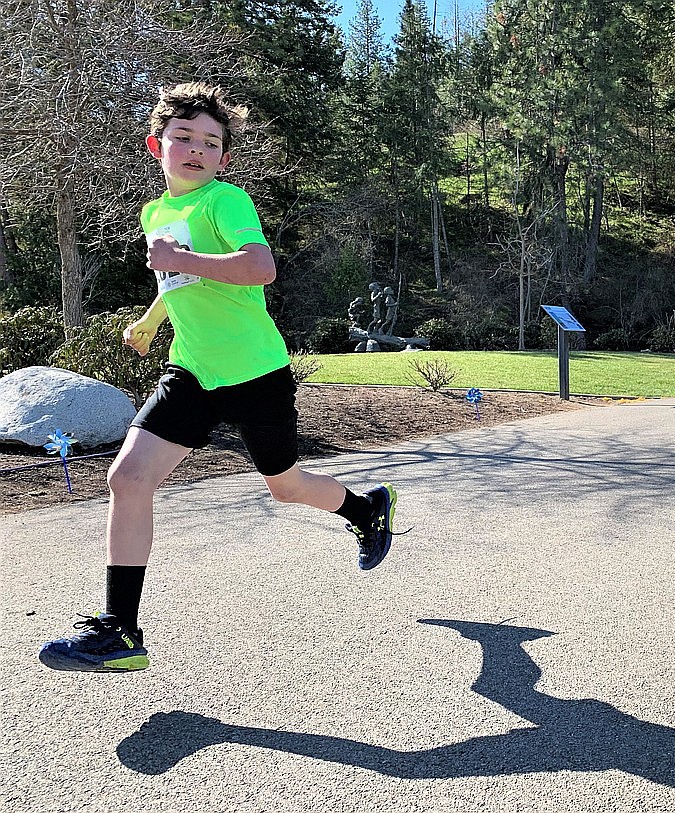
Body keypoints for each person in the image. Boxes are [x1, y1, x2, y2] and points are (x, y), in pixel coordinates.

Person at [39, 83, 403, 673]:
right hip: (192, 370)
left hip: (256, 372)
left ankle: (365, 510)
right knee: (128, 478)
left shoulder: (224, 200)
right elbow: (178, 283)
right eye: (183, 137)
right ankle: (121, 631)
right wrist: (151, 320)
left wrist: (181, 261)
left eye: (211, 142)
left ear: (224, 159)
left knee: (284, 485)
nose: (197, 150)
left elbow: (259, 267)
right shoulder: (156, 211)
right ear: (156, 145)